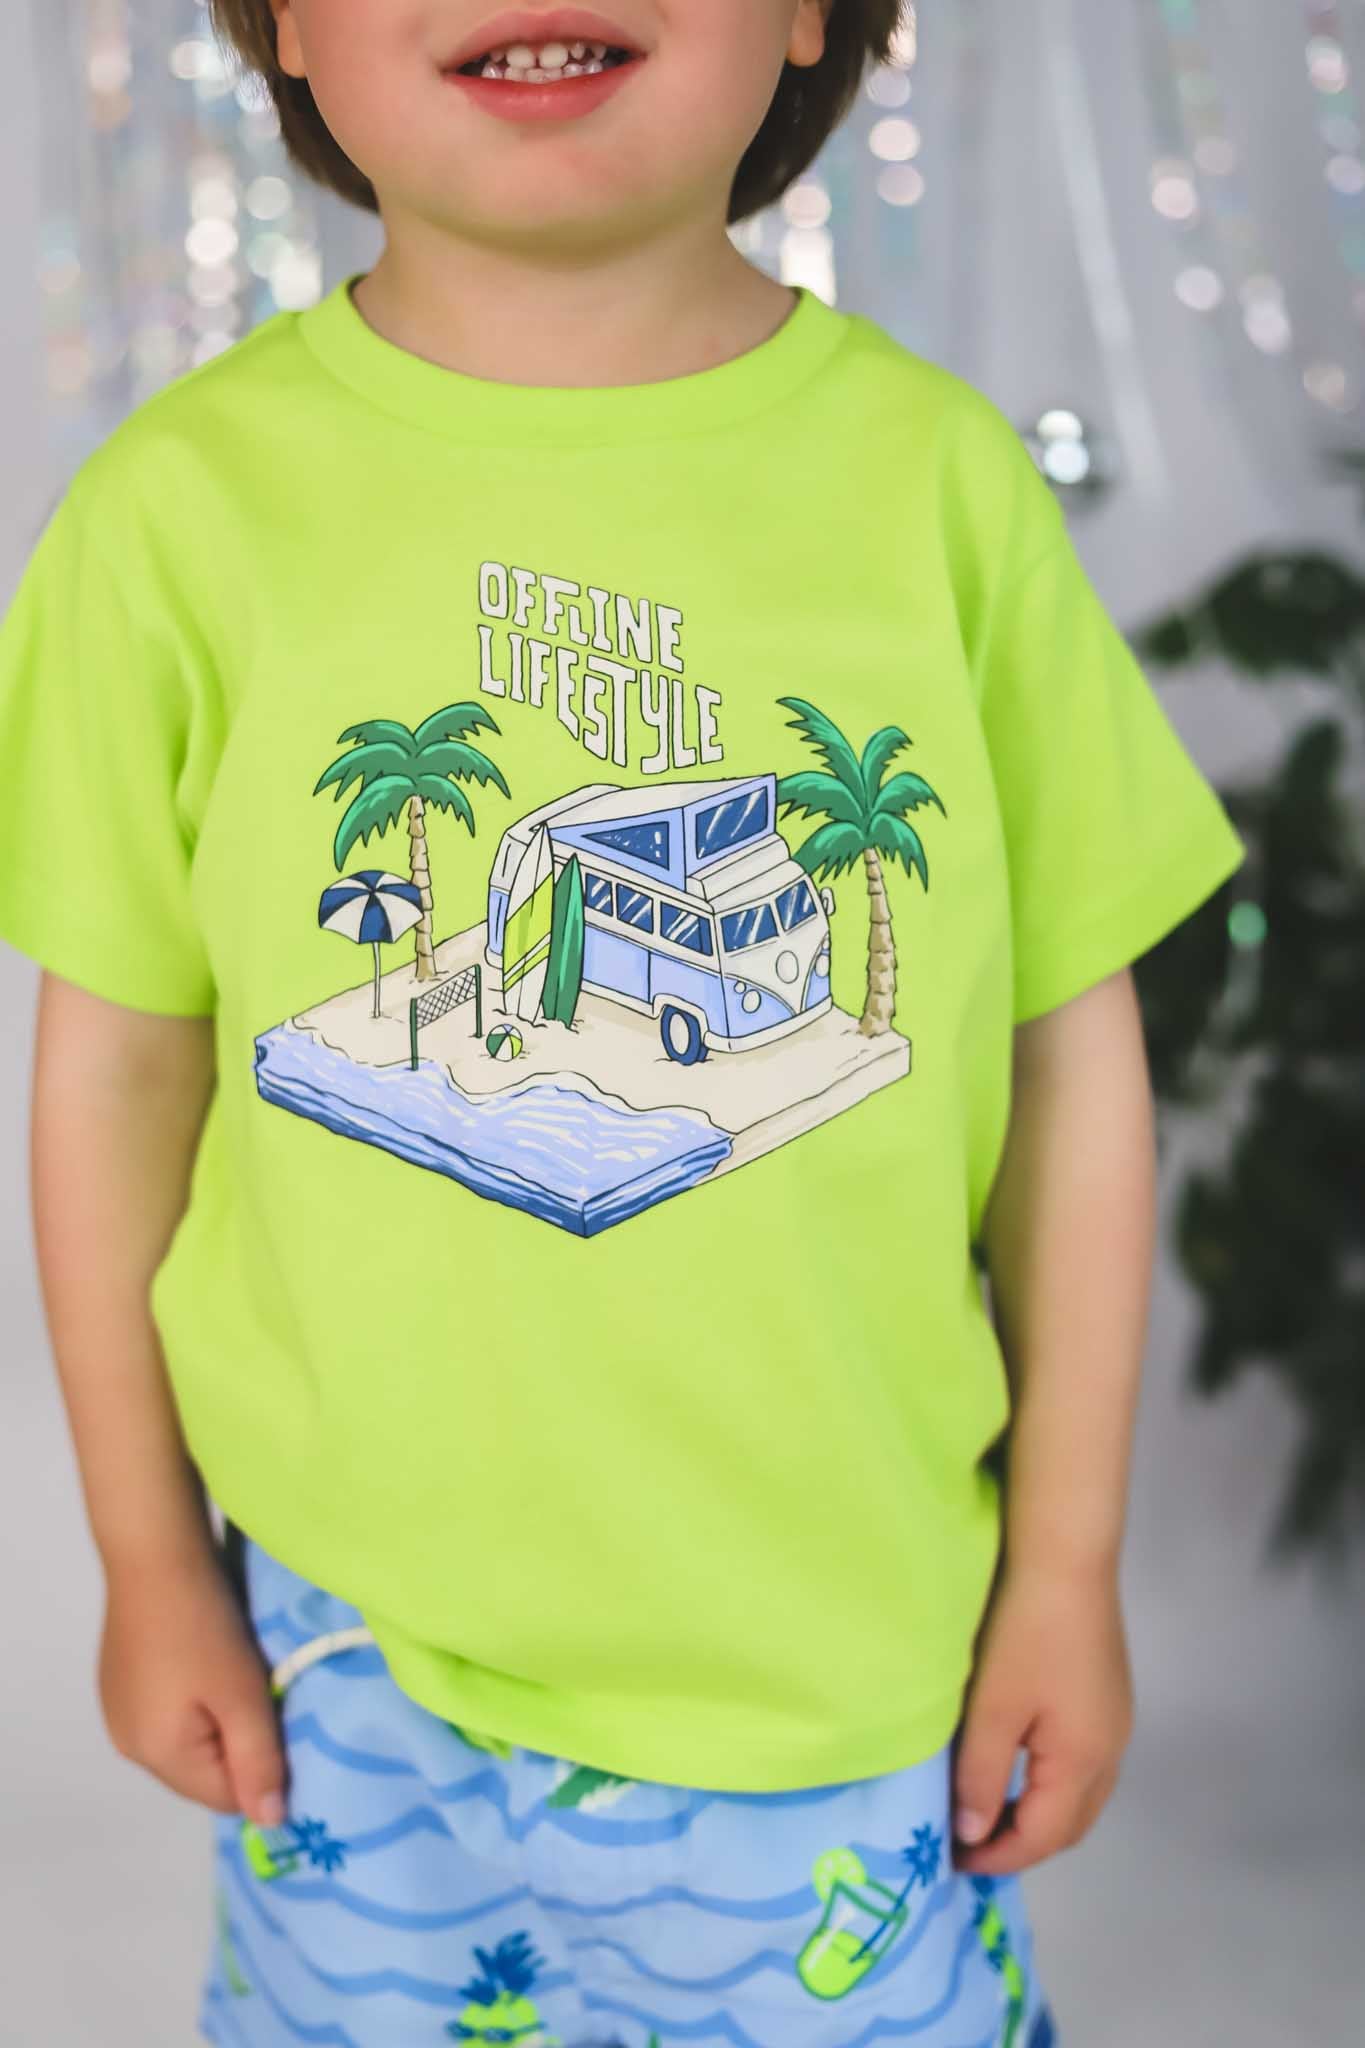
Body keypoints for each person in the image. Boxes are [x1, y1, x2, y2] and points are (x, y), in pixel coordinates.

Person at [0, 3, 1246, 2043]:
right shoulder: (175, 515)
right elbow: (117, 1071)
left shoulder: (935, 489)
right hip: (345, 1659)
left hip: (831, 1651)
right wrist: (146, 1559)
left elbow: (1061, 1065)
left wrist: (1066, 1564)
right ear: (285, 27)